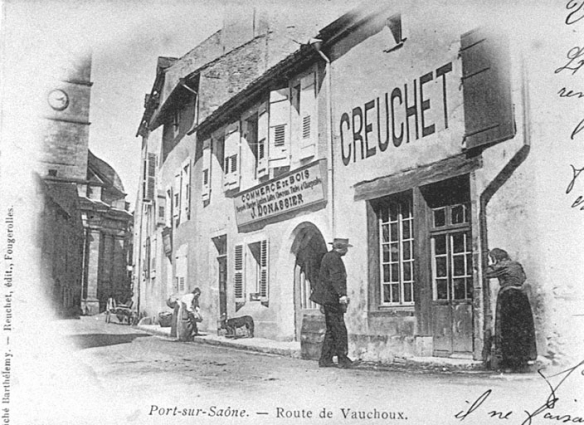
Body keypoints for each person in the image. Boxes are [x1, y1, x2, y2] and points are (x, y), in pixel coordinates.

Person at [486, 248, 537, 372]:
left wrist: (490, 263)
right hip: (521, 297)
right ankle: (523, 359)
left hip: (508, 297)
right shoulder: (517, 265)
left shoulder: (502, 266)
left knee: (508, 328)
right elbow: (523, 278)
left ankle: (510, 361)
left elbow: (486, 273)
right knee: (522, 328)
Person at [310, 238, 355, 368]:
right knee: (339, 328)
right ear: (341, 248)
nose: (346, 251)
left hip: (327, 299)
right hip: (332, 299)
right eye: (346, 248)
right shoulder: (335, 259)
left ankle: (325, 359)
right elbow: (336, 277)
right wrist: (342, 295)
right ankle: (343, 359)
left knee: (331, 329)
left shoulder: (328, 257)